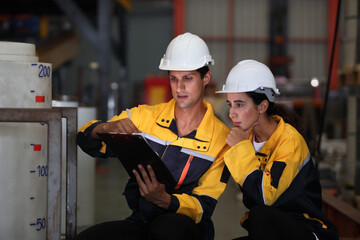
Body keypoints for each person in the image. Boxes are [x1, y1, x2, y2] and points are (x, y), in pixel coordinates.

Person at [76, 32, 230, 240]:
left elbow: (204, 206)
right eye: (173, 79)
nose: (180, 88)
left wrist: (165, 200)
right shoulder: (143, 117)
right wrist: (104, 127)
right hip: (142, 222)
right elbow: (87, 141)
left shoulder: (222, 139)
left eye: (188, 78)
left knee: (166, 230)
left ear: (206, 78)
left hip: (186, 228)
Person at [216, 59, 338, 240]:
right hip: (270, 231)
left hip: (306, 230)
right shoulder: (248, 140)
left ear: (262, 106)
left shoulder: (289, 141)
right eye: (230, 104)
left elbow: (264, 198)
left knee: (260, 215)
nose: (231, 113)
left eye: (240, 104)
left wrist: (241, 149)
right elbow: (250, 196)